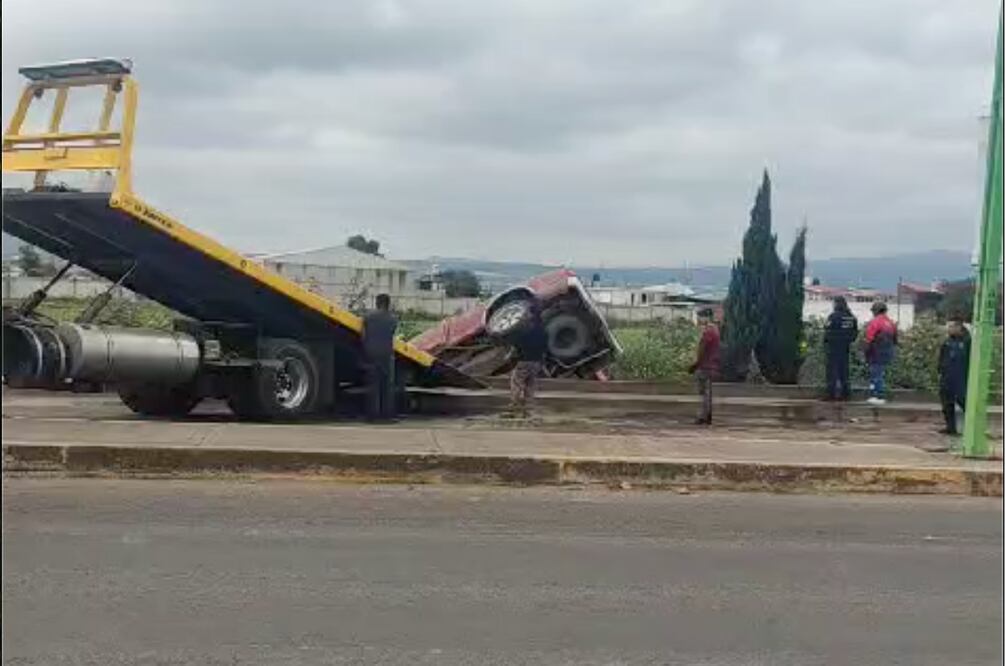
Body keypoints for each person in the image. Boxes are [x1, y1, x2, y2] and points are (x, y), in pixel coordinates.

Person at [506, 298, 547, 418]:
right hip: (536, 362)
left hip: (524, 361)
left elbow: (516, 346)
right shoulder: (543, 331)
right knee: (530, 386)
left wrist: (509, 356)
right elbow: (545, 348)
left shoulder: (524, 329)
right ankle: (528, 411)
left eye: (528, 312)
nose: (526, 314)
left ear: (531, 315)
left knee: (517, 383)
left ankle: (513, 409)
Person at [361, 293, 398, 421]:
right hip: (386, 354)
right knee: (386, 386)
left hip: (371, 354)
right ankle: (386, 416)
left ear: (377, 303)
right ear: (388, 304)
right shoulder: (393, 319)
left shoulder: (367, 317)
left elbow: (363, 336)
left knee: (373, 385)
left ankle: (372, 416)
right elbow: (392, 334)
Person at [937, 320, 971, 435]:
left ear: (959, 327)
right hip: (947, 378)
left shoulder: (967, 341)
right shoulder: (947, 342)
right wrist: (940, 372)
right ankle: (951, 428)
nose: (948, 329)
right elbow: (941, 358)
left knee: (965, 403)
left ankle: (973, 429)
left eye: (951, 326)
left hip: (962, 378)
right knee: (947, 404)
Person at [688, 308, 720, 425]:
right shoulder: (715, 330)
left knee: (704, 393)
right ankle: (707, 415)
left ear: (706, 317)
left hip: (706, 366)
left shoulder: (709, 332)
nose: (699, 319)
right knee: (707, 393)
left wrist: (695, 364)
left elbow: (702, 349)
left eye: (700, 316)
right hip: (711, 365)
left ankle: (704, 416)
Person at [863, 301, 898, 405]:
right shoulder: (891, 323)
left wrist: (865, 352)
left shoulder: (875, 322)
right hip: (887, 352)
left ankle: (877, 395)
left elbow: (869, 339)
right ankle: (879, 394)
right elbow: (895, 340)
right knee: (881, 374)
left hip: (876, 352)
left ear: (876, 311)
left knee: (875, 374)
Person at [823, 296, 858, 400]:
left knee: (832, 372)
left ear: (836, 304)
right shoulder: (851, 317)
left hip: (833, 348)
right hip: (845, 348)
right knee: (844, 371)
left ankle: (831, 394)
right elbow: (855, 333)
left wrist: (826, 341)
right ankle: (846, 394)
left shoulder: (833, 316)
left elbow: (827, 330)